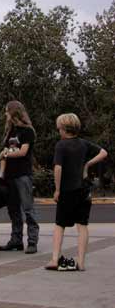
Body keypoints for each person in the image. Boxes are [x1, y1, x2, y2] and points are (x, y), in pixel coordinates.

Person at [45, 113, 107, 271]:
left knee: (60, 225)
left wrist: (57, 189)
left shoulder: (61, 145)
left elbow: (58, 168)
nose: (58, 130)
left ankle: (54, 259)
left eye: (59, 127)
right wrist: (87, 164)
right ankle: (81, 261)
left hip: (67, 190)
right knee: (82, 225)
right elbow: (103, 153)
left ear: (64, 129)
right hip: (84, 190)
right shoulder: (83, 143)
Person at [0, 100, 39, 254]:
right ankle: (16, 240)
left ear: (14, 112)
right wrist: (1, 174)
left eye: (7, 111)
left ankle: (32, 242)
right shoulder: (10, 131)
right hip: (9, 175)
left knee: (28, 209)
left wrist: (7, 153)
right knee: (13, 209)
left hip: (23, 175)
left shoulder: (28, 131)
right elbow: (3, 155)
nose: (5, 114)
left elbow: (23, 152)